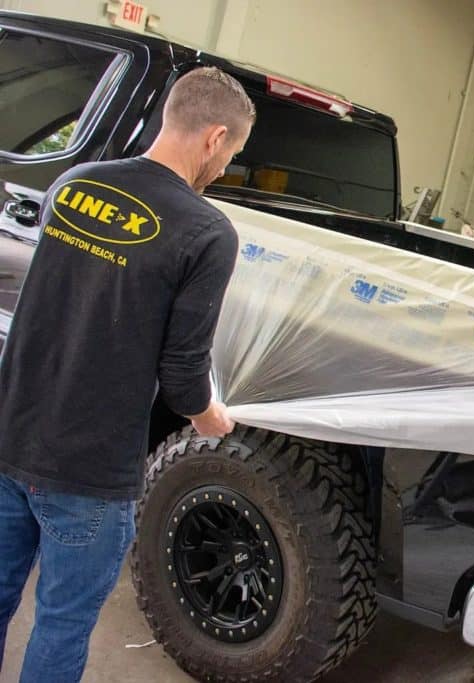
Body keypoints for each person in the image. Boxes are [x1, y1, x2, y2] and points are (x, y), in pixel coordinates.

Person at [0, 67, 254, 682]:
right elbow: (182, 367)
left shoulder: (74, 183)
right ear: (215, 137)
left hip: (10, 440)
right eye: (233, 154)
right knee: (61, 623)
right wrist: (208, 417)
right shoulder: (207, 232)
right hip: (89, 473)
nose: (223, 170)